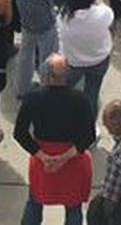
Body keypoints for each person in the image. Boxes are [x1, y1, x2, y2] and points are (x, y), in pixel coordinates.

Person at [15, 54, 95, 225]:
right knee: (73, 207)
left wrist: (44, 157)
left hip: (43, 161)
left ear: (47, 74)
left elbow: (19, 133)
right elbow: (89, 135)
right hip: (72, 161)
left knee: (35, 201)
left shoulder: (33, 98)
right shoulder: (81, 100)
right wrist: (63, 158)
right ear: (66, 75)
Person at [58, 0, 114, 112]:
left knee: (64, 91)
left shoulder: (63, 16)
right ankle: (90, 127)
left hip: (72, 63)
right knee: (92, 94)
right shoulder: (103, 13)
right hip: (99, 61)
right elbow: (110, 19)